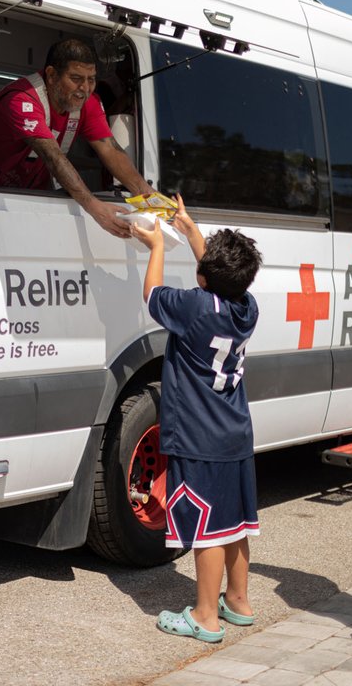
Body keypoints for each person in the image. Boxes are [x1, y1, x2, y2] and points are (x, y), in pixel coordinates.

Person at [130, 196, 262, 643]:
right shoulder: (246, 308)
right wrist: (190, 231)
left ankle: (205, 616)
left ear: (203, 279)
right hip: (235, 433)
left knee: (208, 530)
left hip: (198, 437)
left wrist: (158, 247)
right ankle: (238, 602)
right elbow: (220, 277)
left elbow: (151, 295)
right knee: (236, 523)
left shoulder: (195, 308)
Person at [0, 39, 152, 238]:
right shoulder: (21, 99)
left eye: (91, 79)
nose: (85, 89)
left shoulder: (88, 102)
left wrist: (149, 198)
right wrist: (95, 207)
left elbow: (110, 149)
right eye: (76, 79)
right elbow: (53, 157)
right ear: (51, 75)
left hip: (29, 196)